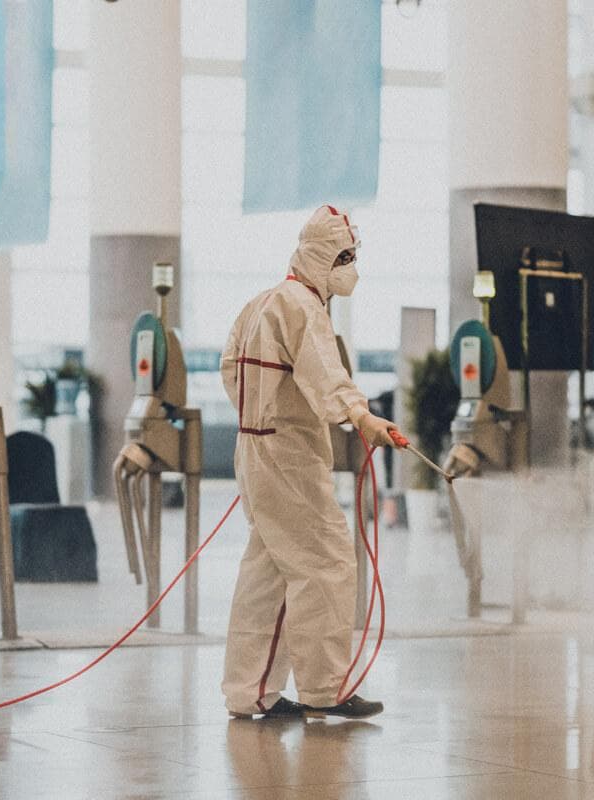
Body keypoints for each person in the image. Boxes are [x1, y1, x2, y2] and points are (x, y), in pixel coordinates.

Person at [220, 205, 405, 721]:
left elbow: (227, 365)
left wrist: (256, 415)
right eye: (344, 257)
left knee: (269, 571)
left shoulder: (261, 303)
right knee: (324, 562)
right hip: (289, 456)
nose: (351, 267)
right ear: (322, 258)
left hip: (254, 449)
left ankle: (249, 691)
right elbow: (328, 374)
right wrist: (362, 417)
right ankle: (327, 689)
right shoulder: (302, 305)